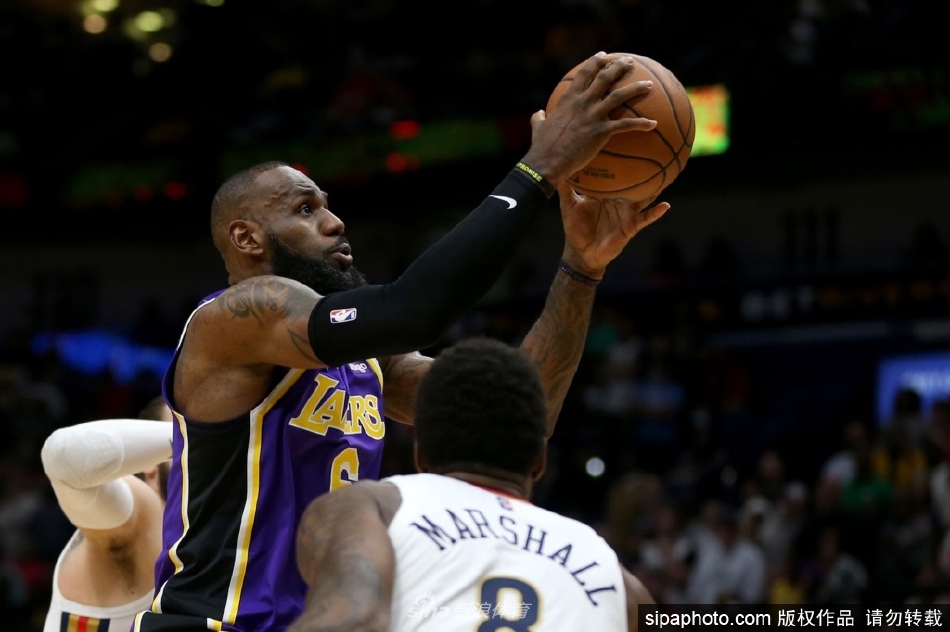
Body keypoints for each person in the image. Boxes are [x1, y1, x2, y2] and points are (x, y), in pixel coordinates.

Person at [138, 52, 670, 631]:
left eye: (328, 206)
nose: (335, 222)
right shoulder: (234, 319)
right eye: (305, 208)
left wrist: (581, 268)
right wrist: (537, 169)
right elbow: (412, 310)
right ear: (247, 238)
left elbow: (524, 415)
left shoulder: (370, 362)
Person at [287, 337, 655, 632]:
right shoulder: (612, 574)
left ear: (420, 454)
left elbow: (354, 620)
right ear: (539, 462)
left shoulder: (377, 507)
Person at [39, 396, 173, 632]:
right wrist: (204, 436)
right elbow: (63, 454)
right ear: (151, 462)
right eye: (181, 424)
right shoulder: (148, 513)